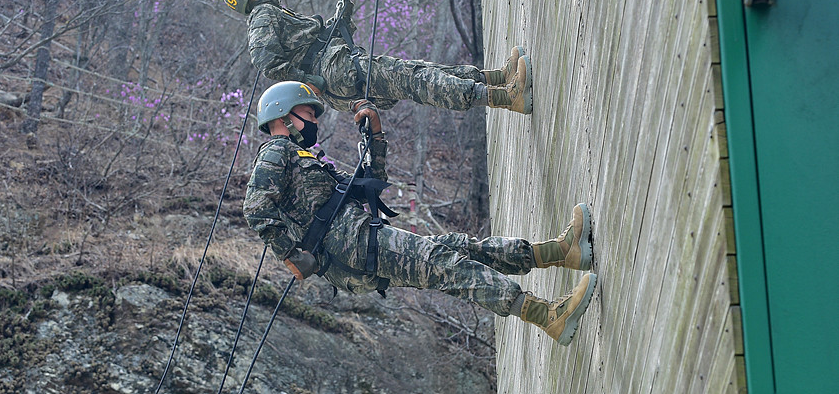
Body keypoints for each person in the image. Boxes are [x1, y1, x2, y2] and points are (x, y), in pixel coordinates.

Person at [242, 81, 598, 345]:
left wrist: (374, 136)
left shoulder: (307, 158)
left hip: (357, 245)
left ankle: (561, 253)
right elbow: (256, 208)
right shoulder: (275, 152)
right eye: (307, 112)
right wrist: (289, 254)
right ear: (284, 117)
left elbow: (367, 187)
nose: (313, 119)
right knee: (445, 264)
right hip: (350, 247)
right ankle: (548, 316)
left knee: (457, 248)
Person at [222, 0, 532, 114]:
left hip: (340, 67)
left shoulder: (276, 13)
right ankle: (506, 97)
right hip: (337, 72)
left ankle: (497, 78)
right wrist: (309, 80)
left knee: (416, 71)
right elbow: (267, 62)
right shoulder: (262, 17)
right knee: (416, 79)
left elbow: (326, 33)